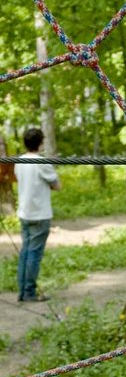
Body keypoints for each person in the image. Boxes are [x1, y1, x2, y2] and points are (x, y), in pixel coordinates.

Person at [14, 127, 60, 302]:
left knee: (25, 252)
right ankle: (29, 292)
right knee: (34, 254)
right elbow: (57, 185)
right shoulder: (42, 162)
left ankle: (23, 290)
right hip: (40, 215)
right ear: (40, 143)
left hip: (24, 213)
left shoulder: (19, 161)